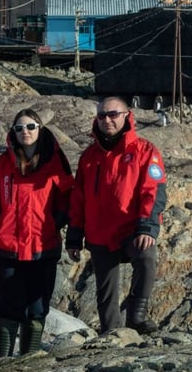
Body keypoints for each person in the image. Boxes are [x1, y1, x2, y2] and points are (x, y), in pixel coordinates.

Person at [66, 97, 167, 334]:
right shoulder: (89, 157)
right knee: (105, 292)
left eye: (113, 114)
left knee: (147, 257)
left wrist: (147, 228)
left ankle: (137, 317)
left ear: (127, 115)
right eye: (102, 115)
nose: (107, 120)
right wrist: (74, 237)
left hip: (132, 230)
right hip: (100, 233)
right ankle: (111, 334)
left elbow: (153, 192)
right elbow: (78, 199)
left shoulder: (145, 150)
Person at [0, 109, 74, 358]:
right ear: (13, 132)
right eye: (19, 128)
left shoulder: (55, 161)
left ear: (40, 129)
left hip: (42, 247)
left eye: (31, 126)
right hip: (7, 248)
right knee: (6, 306)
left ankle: (29, 360)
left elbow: (68, 195)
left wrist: (56, 221)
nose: (25, 132)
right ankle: (2, 362)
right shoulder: (2, 163)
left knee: (37, 307)